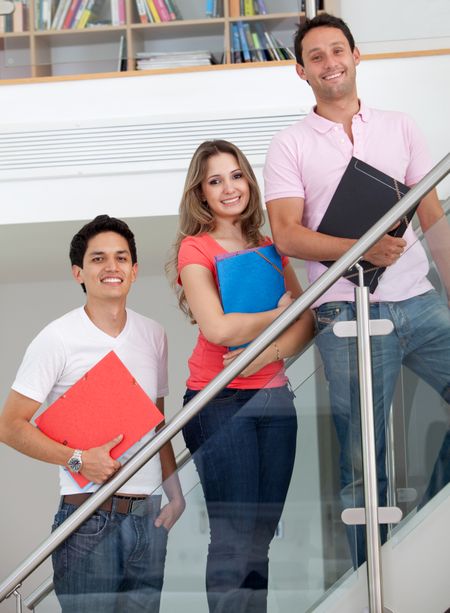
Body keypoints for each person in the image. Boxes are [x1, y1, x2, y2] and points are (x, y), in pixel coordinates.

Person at [264, 13, 450, 567]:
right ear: (301, 71)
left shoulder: (400, 127)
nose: (330, 62)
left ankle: (429, 524)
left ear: (356, 55)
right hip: (344, 313)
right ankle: (376, 580)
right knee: (364, 459)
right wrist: (361, 248)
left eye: (337, 50)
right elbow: (287, 235)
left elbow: (434, 220)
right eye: (316, 56)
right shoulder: (290, 145)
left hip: (419, 300)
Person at [0, 215, 185, 613]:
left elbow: (157, 423)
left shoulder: (154, 334)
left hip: (148, 517)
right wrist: (78, 459)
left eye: (121, 258)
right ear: (78, 272)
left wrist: (175, 492)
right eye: (98, 259)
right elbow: (9, 426)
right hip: (87, 517)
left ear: (134, 271)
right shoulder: (57, 338)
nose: (111, 267)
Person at [166, 139, 314, 612]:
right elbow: (217, 327)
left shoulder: (273, 248)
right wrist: (280, 315)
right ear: (201, 193)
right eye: (215, 180)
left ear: (249, 180)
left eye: (236, 175)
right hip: (218, 403)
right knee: (233, 540)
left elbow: (307, 321)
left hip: (275, 402)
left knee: (258, 541)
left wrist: (266, 351)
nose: (229, 188)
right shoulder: (196, 248)